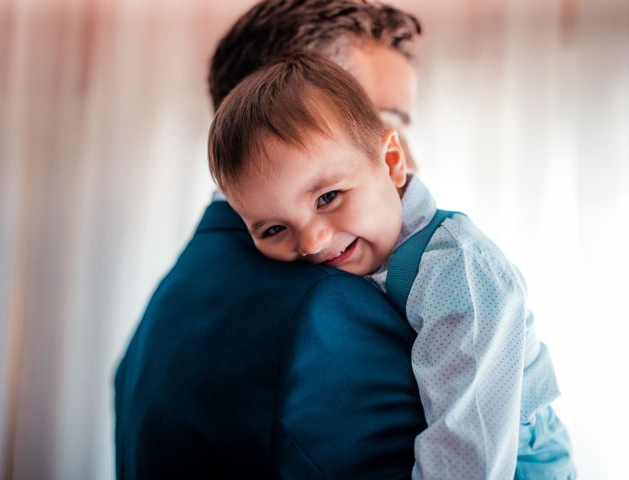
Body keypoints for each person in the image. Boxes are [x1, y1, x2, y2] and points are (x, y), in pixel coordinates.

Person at [207, 52, 577, 480]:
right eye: (273, 228)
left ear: (391, 163)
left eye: (328, 198)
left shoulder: (459, 272)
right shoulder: (341, 253)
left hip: (520, 460)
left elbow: (468, 444)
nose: (310, 242)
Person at [114, 1, 428, 478]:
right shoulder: (329, 309)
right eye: (380, 120)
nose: (407, 160)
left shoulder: (169, 299)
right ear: (274, 96)